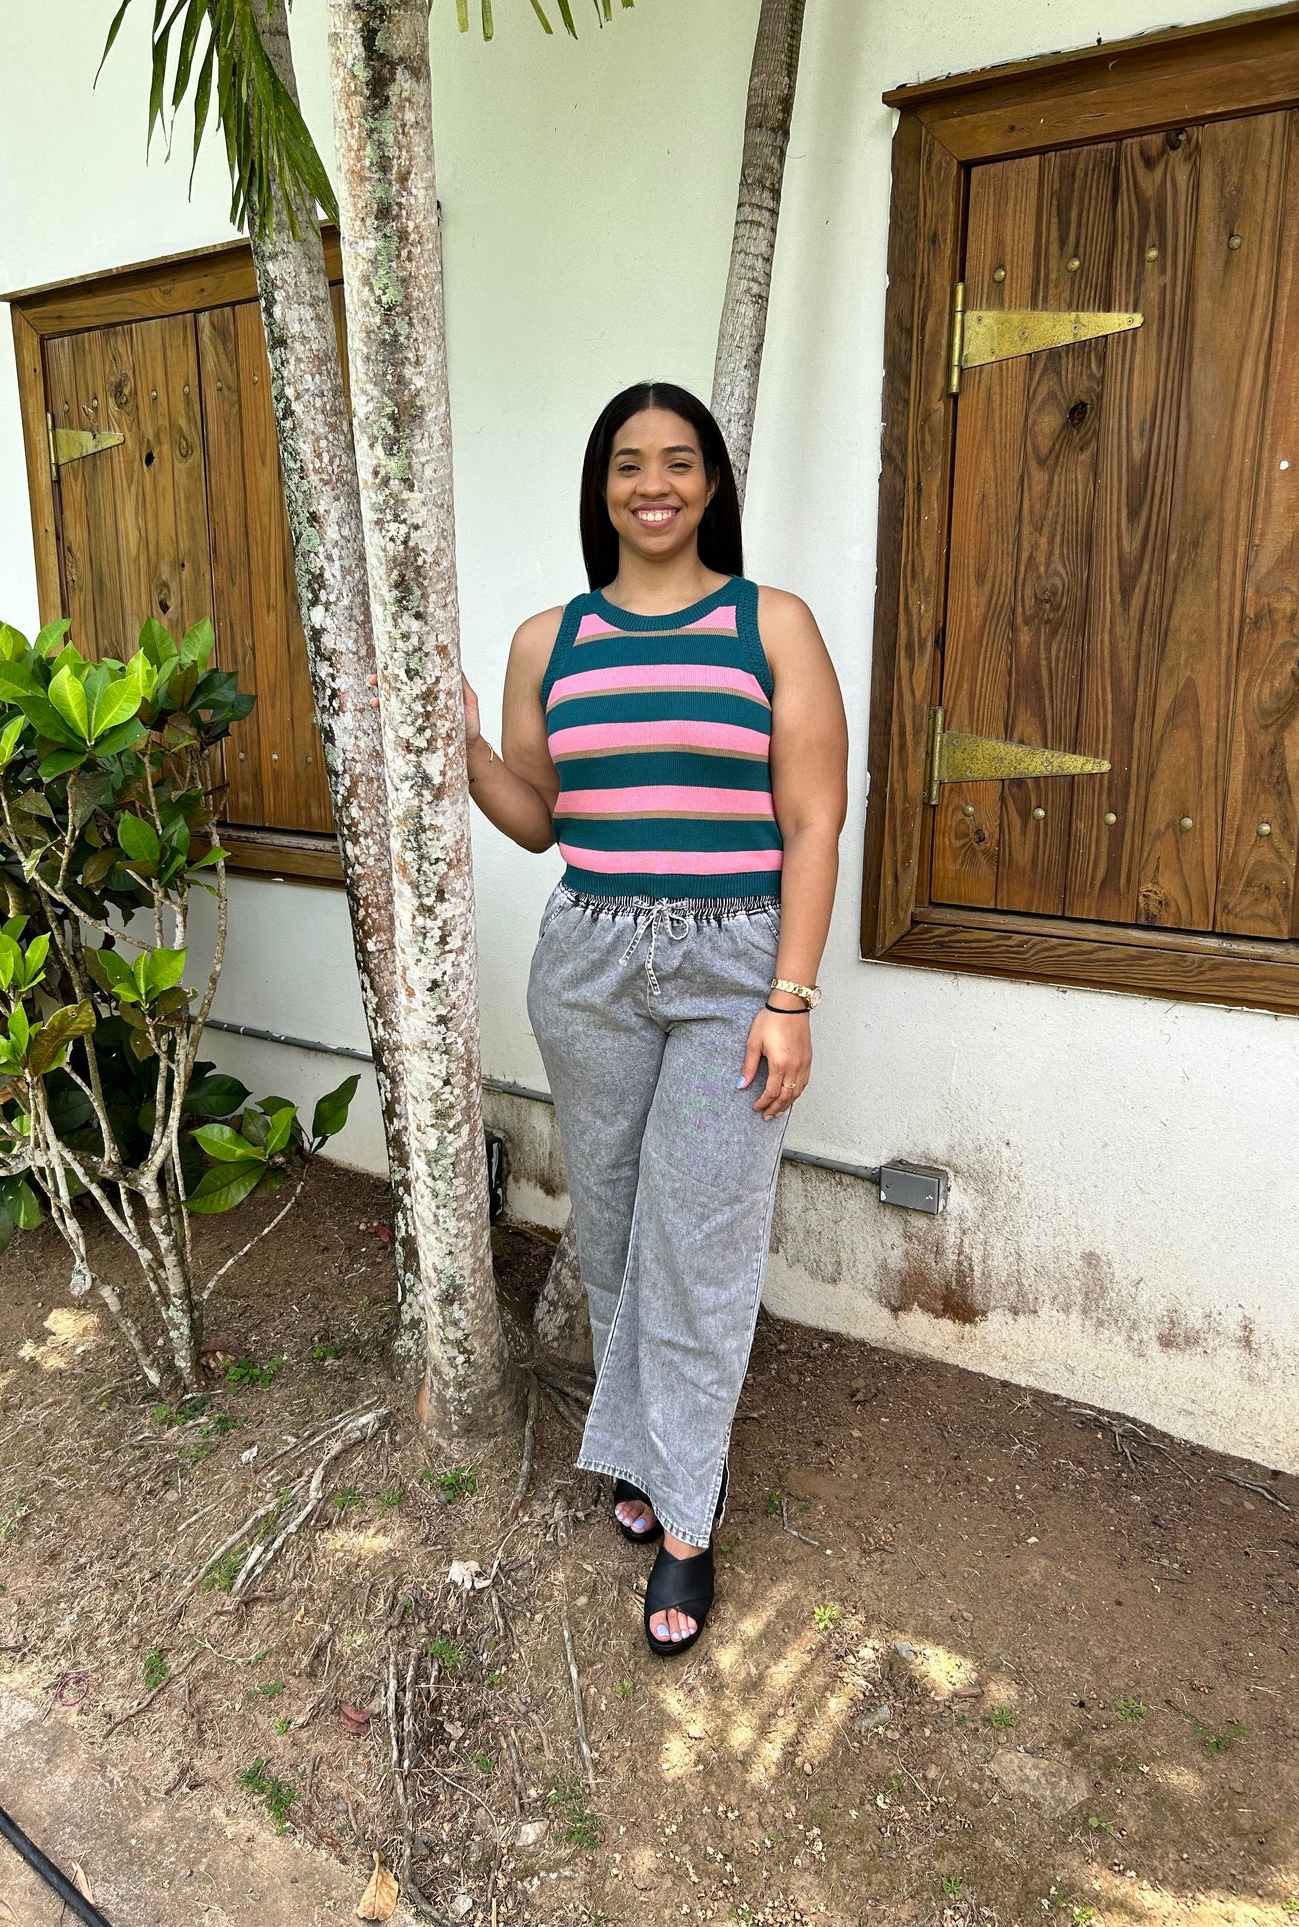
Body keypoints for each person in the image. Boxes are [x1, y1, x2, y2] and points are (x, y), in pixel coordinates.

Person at [462, 381, 848, 1656]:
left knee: (704, 1233)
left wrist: (787, 995)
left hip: (734, 956)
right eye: (629, 463)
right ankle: (646, 1446)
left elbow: (810, 820)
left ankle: (686, 1518)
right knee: (620, 1222)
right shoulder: (545, 641)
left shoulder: (770, 625)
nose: (654, 483)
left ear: (711, 483)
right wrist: (460, 744)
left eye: (678, 461)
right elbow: (540, 816)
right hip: (589, 955)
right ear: (603, 486)